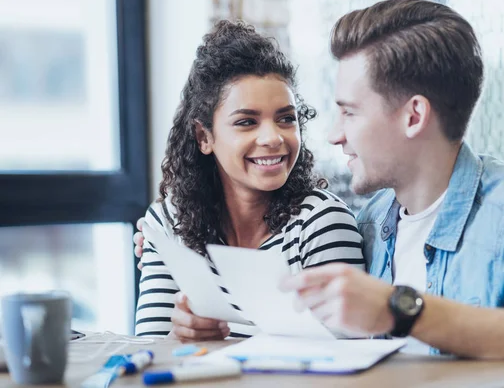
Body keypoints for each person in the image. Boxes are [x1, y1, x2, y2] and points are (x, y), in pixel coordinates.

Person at [279, 0, 504, 364]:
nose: (335, 134)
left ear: (414, 116)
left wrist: (399, 309)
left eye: (349, 112)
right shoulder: (370, 222)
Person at [134, 20, 365, 340]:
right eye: (246, 122)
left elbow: (349, 363)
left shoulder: (321, 224)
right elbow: (146, 357)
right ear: (204, 137)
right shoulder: (166, 222)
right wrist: (178, 339)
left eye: (286, 118)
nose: (273, 138)